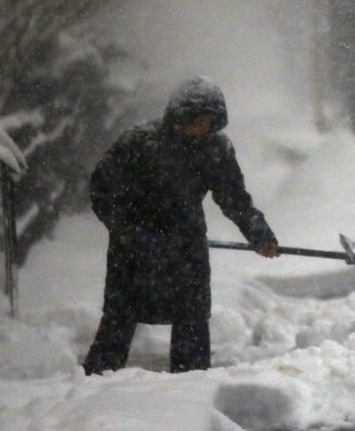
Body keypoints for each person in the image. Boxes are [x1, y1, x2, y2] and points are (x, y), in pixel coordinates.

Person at [82, 76, 279, 375]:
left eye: (208, 121)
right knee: (120, 318)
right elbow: (102, 189)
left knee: (192, 319)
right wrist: (125, 229)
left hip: (186, 247)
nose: (200, 127)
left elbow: (234, 198)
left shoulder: (216, 149)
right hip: (135, 248)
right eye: (195, 119)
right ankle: (93, 383)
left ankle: (191, 386)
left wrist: (259, 234)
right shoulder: (139, 141)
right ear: (178, 115)